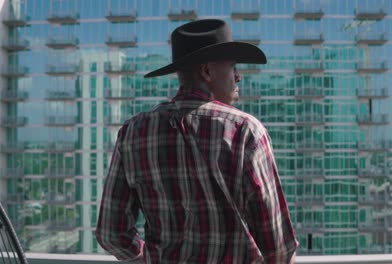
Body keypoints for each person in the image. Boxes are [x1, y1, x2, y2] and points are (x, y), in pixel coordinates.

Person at [96, 19, 298, 263]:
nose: (238, 76)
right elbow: (277, 248)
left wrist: (148, 258)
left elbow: (111, 233)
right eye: (232, 67)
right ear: (207, 71)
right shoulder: (245, 131)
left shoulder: (133, 132)